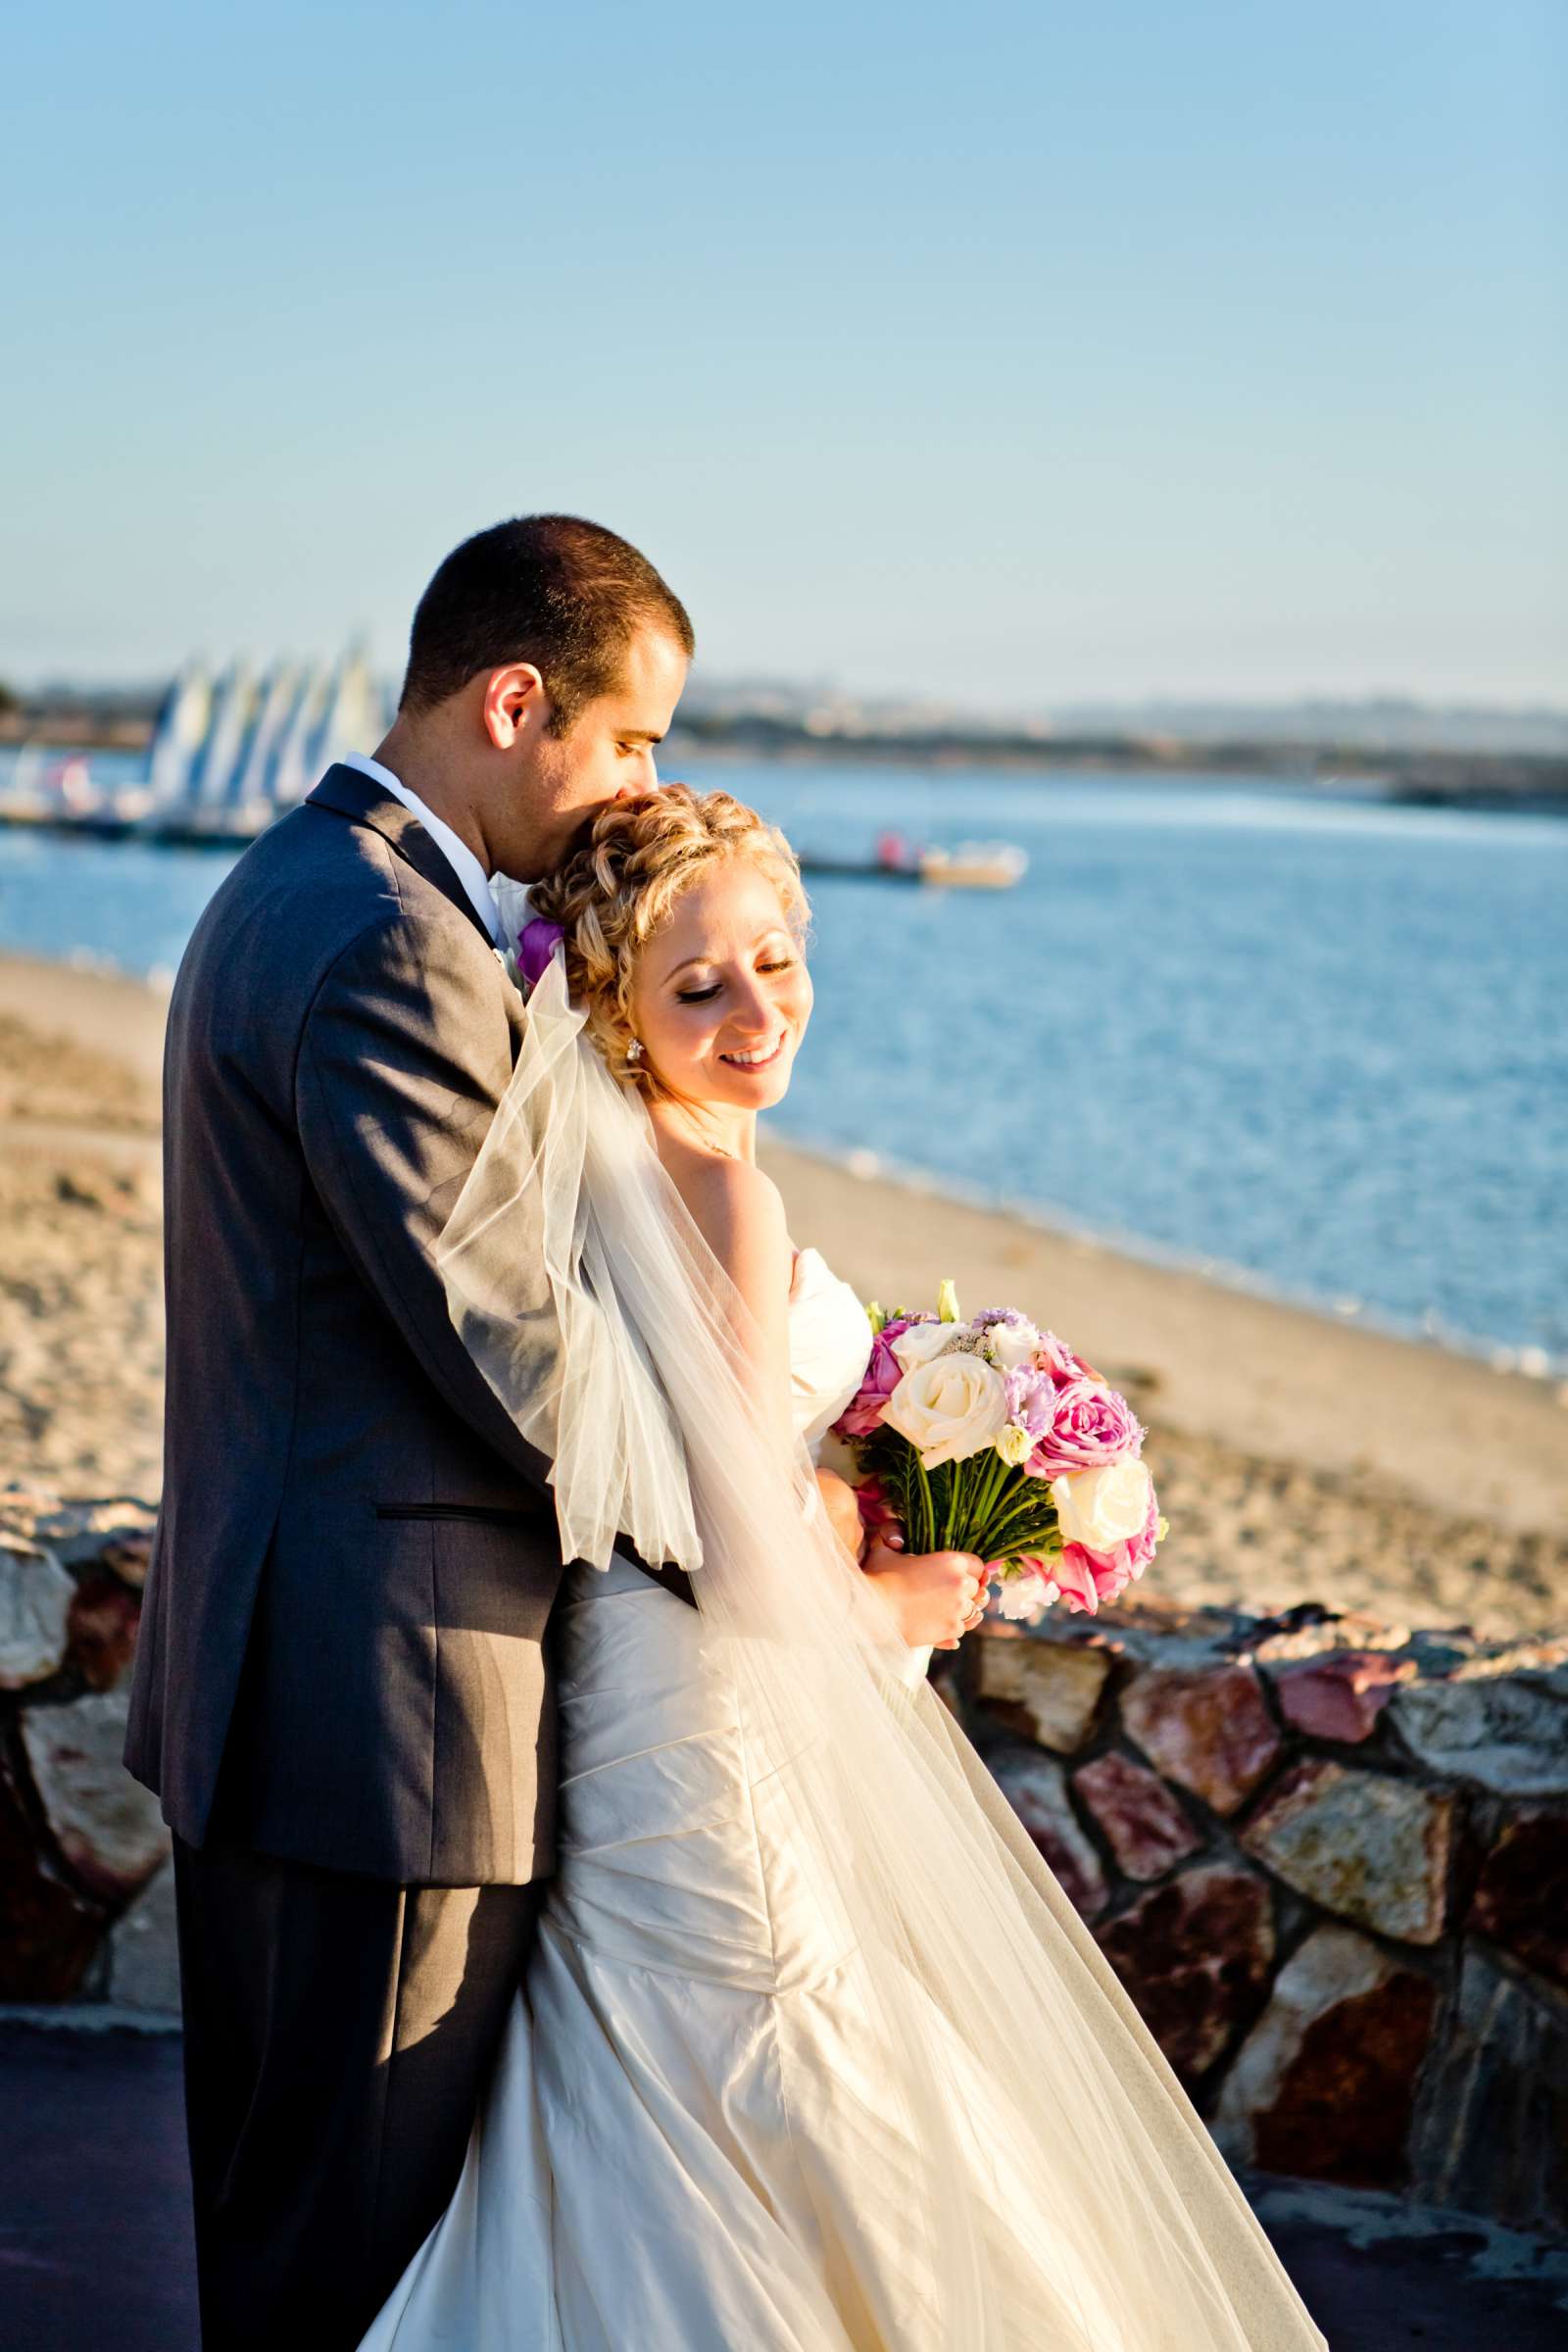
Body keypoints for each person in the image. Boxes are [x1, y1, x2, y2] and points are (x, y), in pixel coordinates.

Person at [122, 516, 981, 2351]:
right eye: (633, 741)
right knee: (350, 2260)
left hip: (308, 1687)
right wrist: (803, 1546)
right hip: (385, 1711)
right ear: (517, 700)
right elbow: (520, 1361)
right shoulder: (383, 944)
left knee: (306, 2235)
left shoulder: (306, 886)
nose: (640, 789)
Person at [358, 784, 1329, 2349]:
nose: (758, 1009)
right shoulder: (724, 1194)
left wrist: (830, 1483)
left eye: (779, 959)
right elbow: (743, 1562)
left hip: (623, 1683)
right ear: (610, 1003)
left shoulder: (592, 1181)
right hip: (715, 1704)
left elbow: (674, 1464)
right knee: (782, 2062)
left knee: (651, 2082)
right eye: (699, 986)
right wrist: (900, 1594)